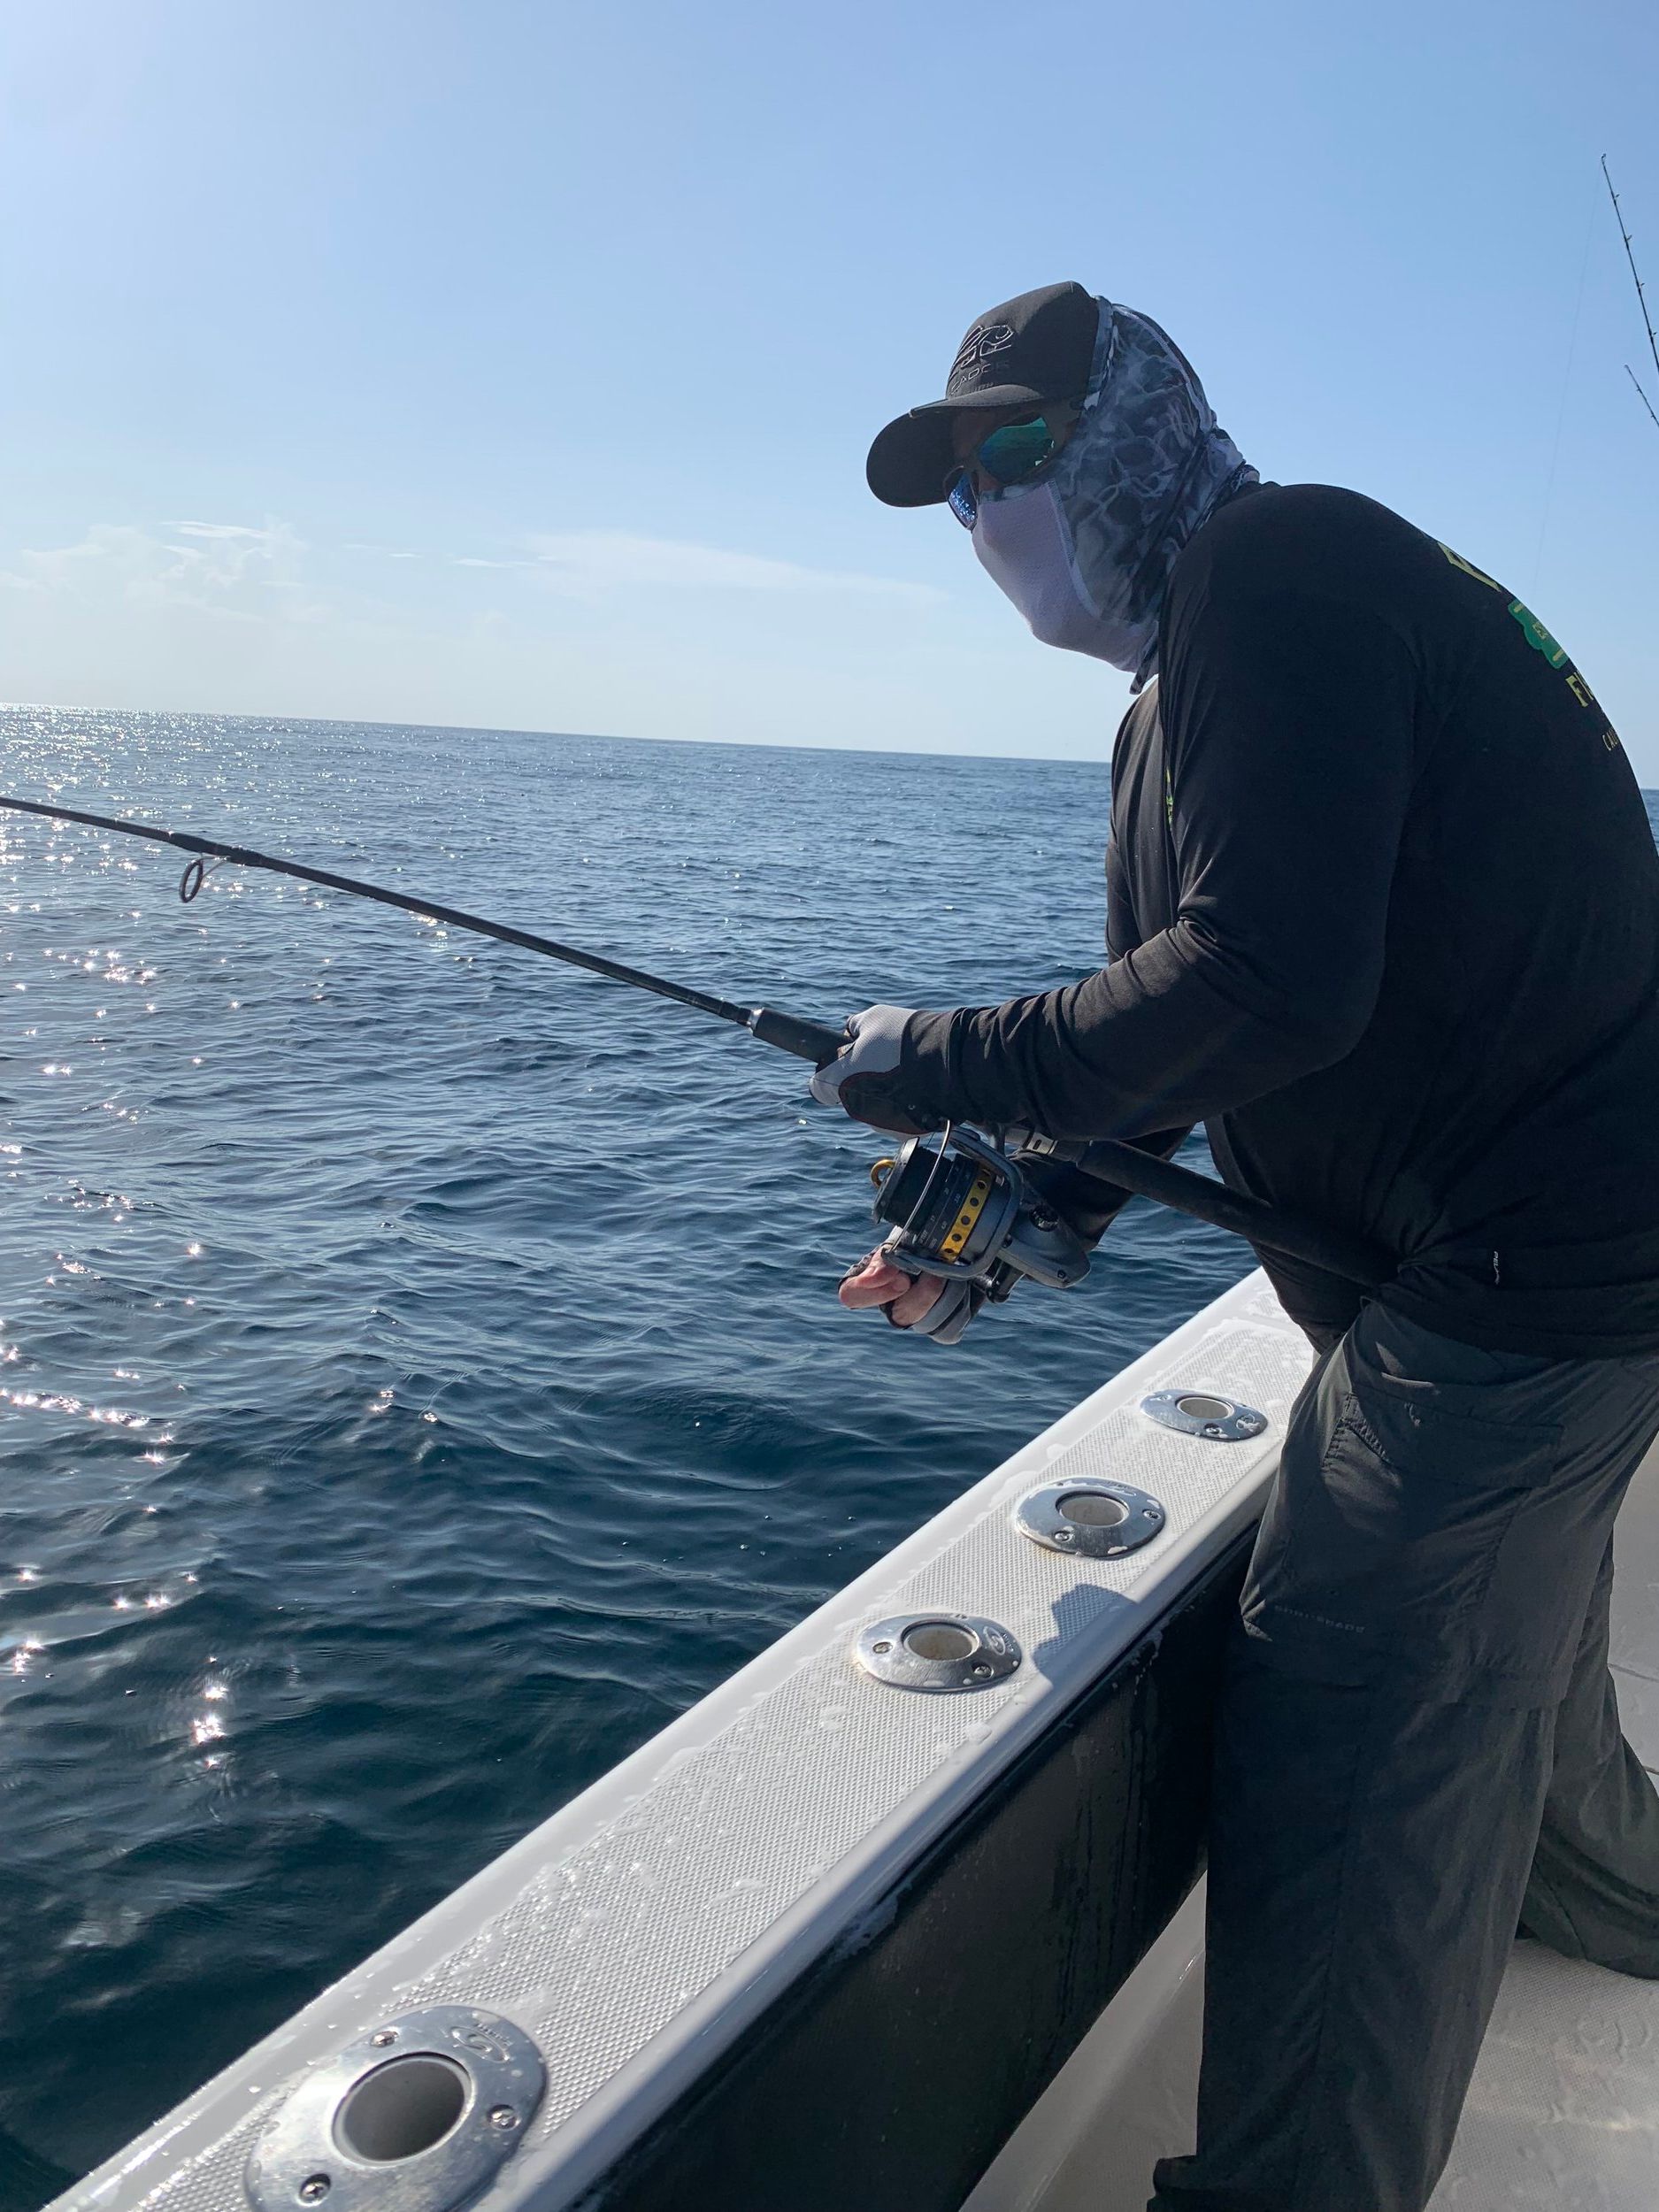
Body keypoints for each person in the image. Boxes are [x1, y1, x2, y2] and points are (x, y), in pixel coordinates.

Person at [811, 280, 1659, 2211]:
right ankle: (1619, 1885)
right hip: (1527, 1261)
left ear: (1138, 425)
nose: (986, 516)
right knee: (1501, 1660)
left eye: (1013, 451)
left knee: (1355, 1682)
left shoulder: (1275, 564)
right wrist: (1004, 1218)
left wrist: (917, 1057)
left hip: (1526, 1273)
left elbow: (1266, 977)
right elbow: (1182, 1040)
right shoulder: (1176, 695)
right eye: (952, 488)